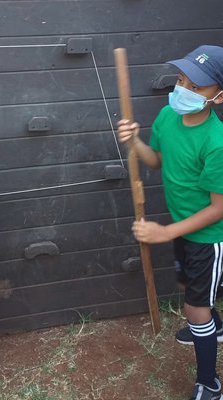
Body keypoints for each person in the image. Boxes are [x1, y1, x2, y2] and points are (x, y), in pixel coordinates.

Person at [118, 45, 223, 400]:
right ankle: (213, 325)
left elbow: (218, 209)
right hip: (182, 225)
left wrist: (165, 232)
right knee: (189, 290)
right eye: (181, 80)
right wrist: (135, 142)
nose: (184, 89)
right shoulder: (166, 117)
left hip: (209, 235)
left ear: (218, 97)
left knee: (195, 306)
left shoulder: (217, 142)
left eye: (197, 87)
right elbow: (156, 160)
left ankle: (209, 384)